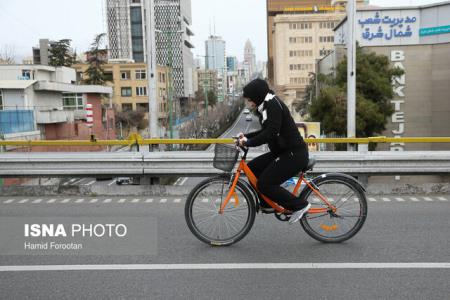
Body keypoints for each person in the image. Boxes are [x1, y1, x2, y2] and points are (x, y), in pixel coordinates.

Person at [238, 78, 310, 224]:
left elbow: (271, 133)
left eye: (250, 99)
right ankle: (267, 203)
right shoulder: (266, 106)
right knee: (252, 169)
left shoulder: (273, 105)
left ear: (257, 96)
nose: (249, 103)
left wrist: (250, 142)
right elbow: (265, 131)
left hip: (294, 154)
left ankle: (300, 205)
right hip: (283, 152)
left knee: (265, 184)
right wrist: (245, 137)